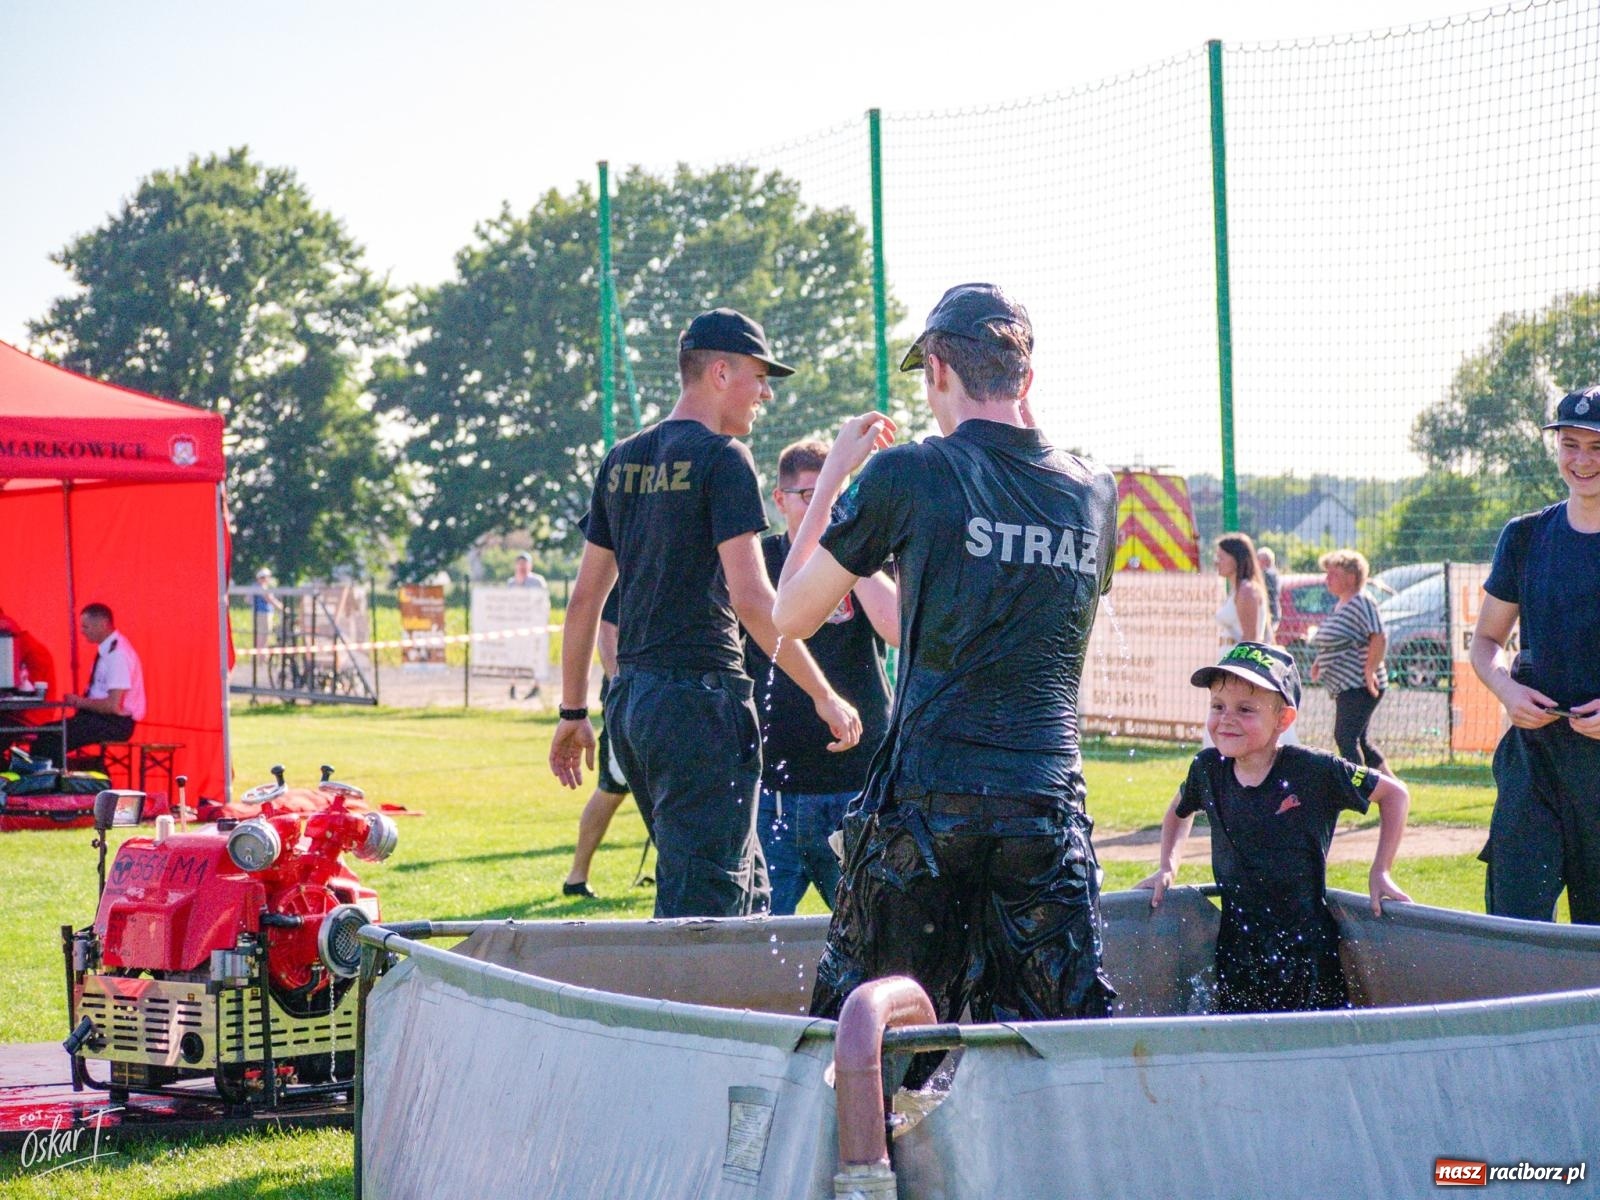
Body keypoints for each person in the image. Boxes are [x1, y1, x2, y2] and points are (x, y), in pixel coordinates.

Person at [774, 282, 1118, 1030]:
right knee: (1052, 1039)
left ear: (935, 371)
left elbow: (788, 614)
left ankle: (873, 1152)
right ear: (1026, 380)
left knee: (879, 1036)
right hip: (1046, 806)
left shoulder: (913, 472)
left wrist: (834, 475)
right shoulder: (1094, 490)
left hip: (928, 809)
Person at [549, 307, 861, 919]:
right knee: (702, 916)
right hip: (700, 707)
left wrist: (572, 711)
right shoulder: (726, 459)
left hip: (635, 705)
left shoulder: (620, 460)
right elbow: (752, 600)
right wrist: (824, 694)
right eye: (760, 376)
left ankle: (755, 1010)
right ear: (720, 373)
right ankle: (679, 1015)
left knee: (751, 896)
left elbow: (584, 598)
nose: (767, 394)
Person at [1138, 641, 1411, 1013]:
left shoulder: (1314, 771)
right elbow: (1178, 810)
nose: (1227, 719)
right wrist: (1168, 866)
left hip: (1308, 958)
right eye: (1218, 706)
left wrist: (1381, 871)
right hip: (1237, 953)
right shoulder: (1208, 769)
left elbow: (1394, 794)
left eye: (1245, 709)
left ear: (1283, 719)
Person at [746, 439, 897, 915]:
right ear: (780, 500)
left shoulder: (867, 557)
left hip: (856, 782)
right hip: (776, 787)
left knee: (870, 930)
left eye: (831, 494)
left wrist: (851, 551)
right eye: (809, 496)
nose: (823, 506)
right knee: (760, 935)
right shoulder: (762, 561)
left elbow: (896, 629)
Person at [1472, 385, 1600, 924]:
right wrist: (1507, 690)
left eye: (1596, 447)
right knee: (1517, 930)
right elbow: (1485, 645)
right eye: (1570, 444)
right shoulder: (1524, 536)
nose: (1582, 460)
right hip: (1534, 765)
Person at [561, 588, 650, 899]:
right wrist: (624, 686)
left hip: (656, 696)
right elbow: (606, 634)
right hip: (629, 698)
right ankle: (577, 876)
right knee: (612, 788)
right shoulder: (620, 574)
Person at [30, 603, 145, 768]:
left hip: (114, 722)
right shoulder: (107, 651)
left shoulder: (118, 654)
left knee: (50, 738)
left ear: (102, 625)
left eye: (86, 626)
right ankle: (65, 777)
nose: (82, 631)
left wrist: (78, 702)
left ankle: (54, 785)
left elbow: (113, 706)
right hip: (98, 718)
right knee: (44, 733)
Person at [1311, 549, 1391, 775]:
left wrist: (1370, 670)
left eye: (1333, 574)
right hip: (1347, 685)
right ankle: (1393, 788)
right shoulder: (1342, 604)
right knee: (1361, 741)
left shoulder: (1362, 602)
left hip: (1359, 685)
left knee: (1345, 737)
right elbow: (1341, 640)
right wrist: (1320, 661)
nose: (1327, 579)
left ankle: (1358, 789)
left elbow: (1379, 636)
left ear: (1352, 577)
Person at [1213, 533, 1269, 647]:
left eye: (1221, 557)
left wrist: (1239, 664)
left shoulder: (1246, 590)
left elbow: (1250, 640)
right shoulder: (1236, 590)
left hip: (1238, 662)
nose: (1216, 562)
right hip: (1228, 658)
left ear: (1236, 558)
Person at [251, 568, 283, 652]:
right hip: (264, 614)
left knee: (259, 635)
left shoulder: (254, 586)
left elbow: (247, 599)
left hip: (257, 613)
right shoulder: (263, 588)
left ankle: (259, 658)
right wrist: (283, 608)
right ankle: (262, 659)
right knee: (264, 636)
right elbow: (271, 600)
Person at [1257, 545, 1282, 636]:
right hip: (1270, 613)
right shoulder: (1271, 573)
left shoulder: (1269, 574)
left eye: (1258, 559)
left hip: (1270, 614)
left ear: (1265, 561)